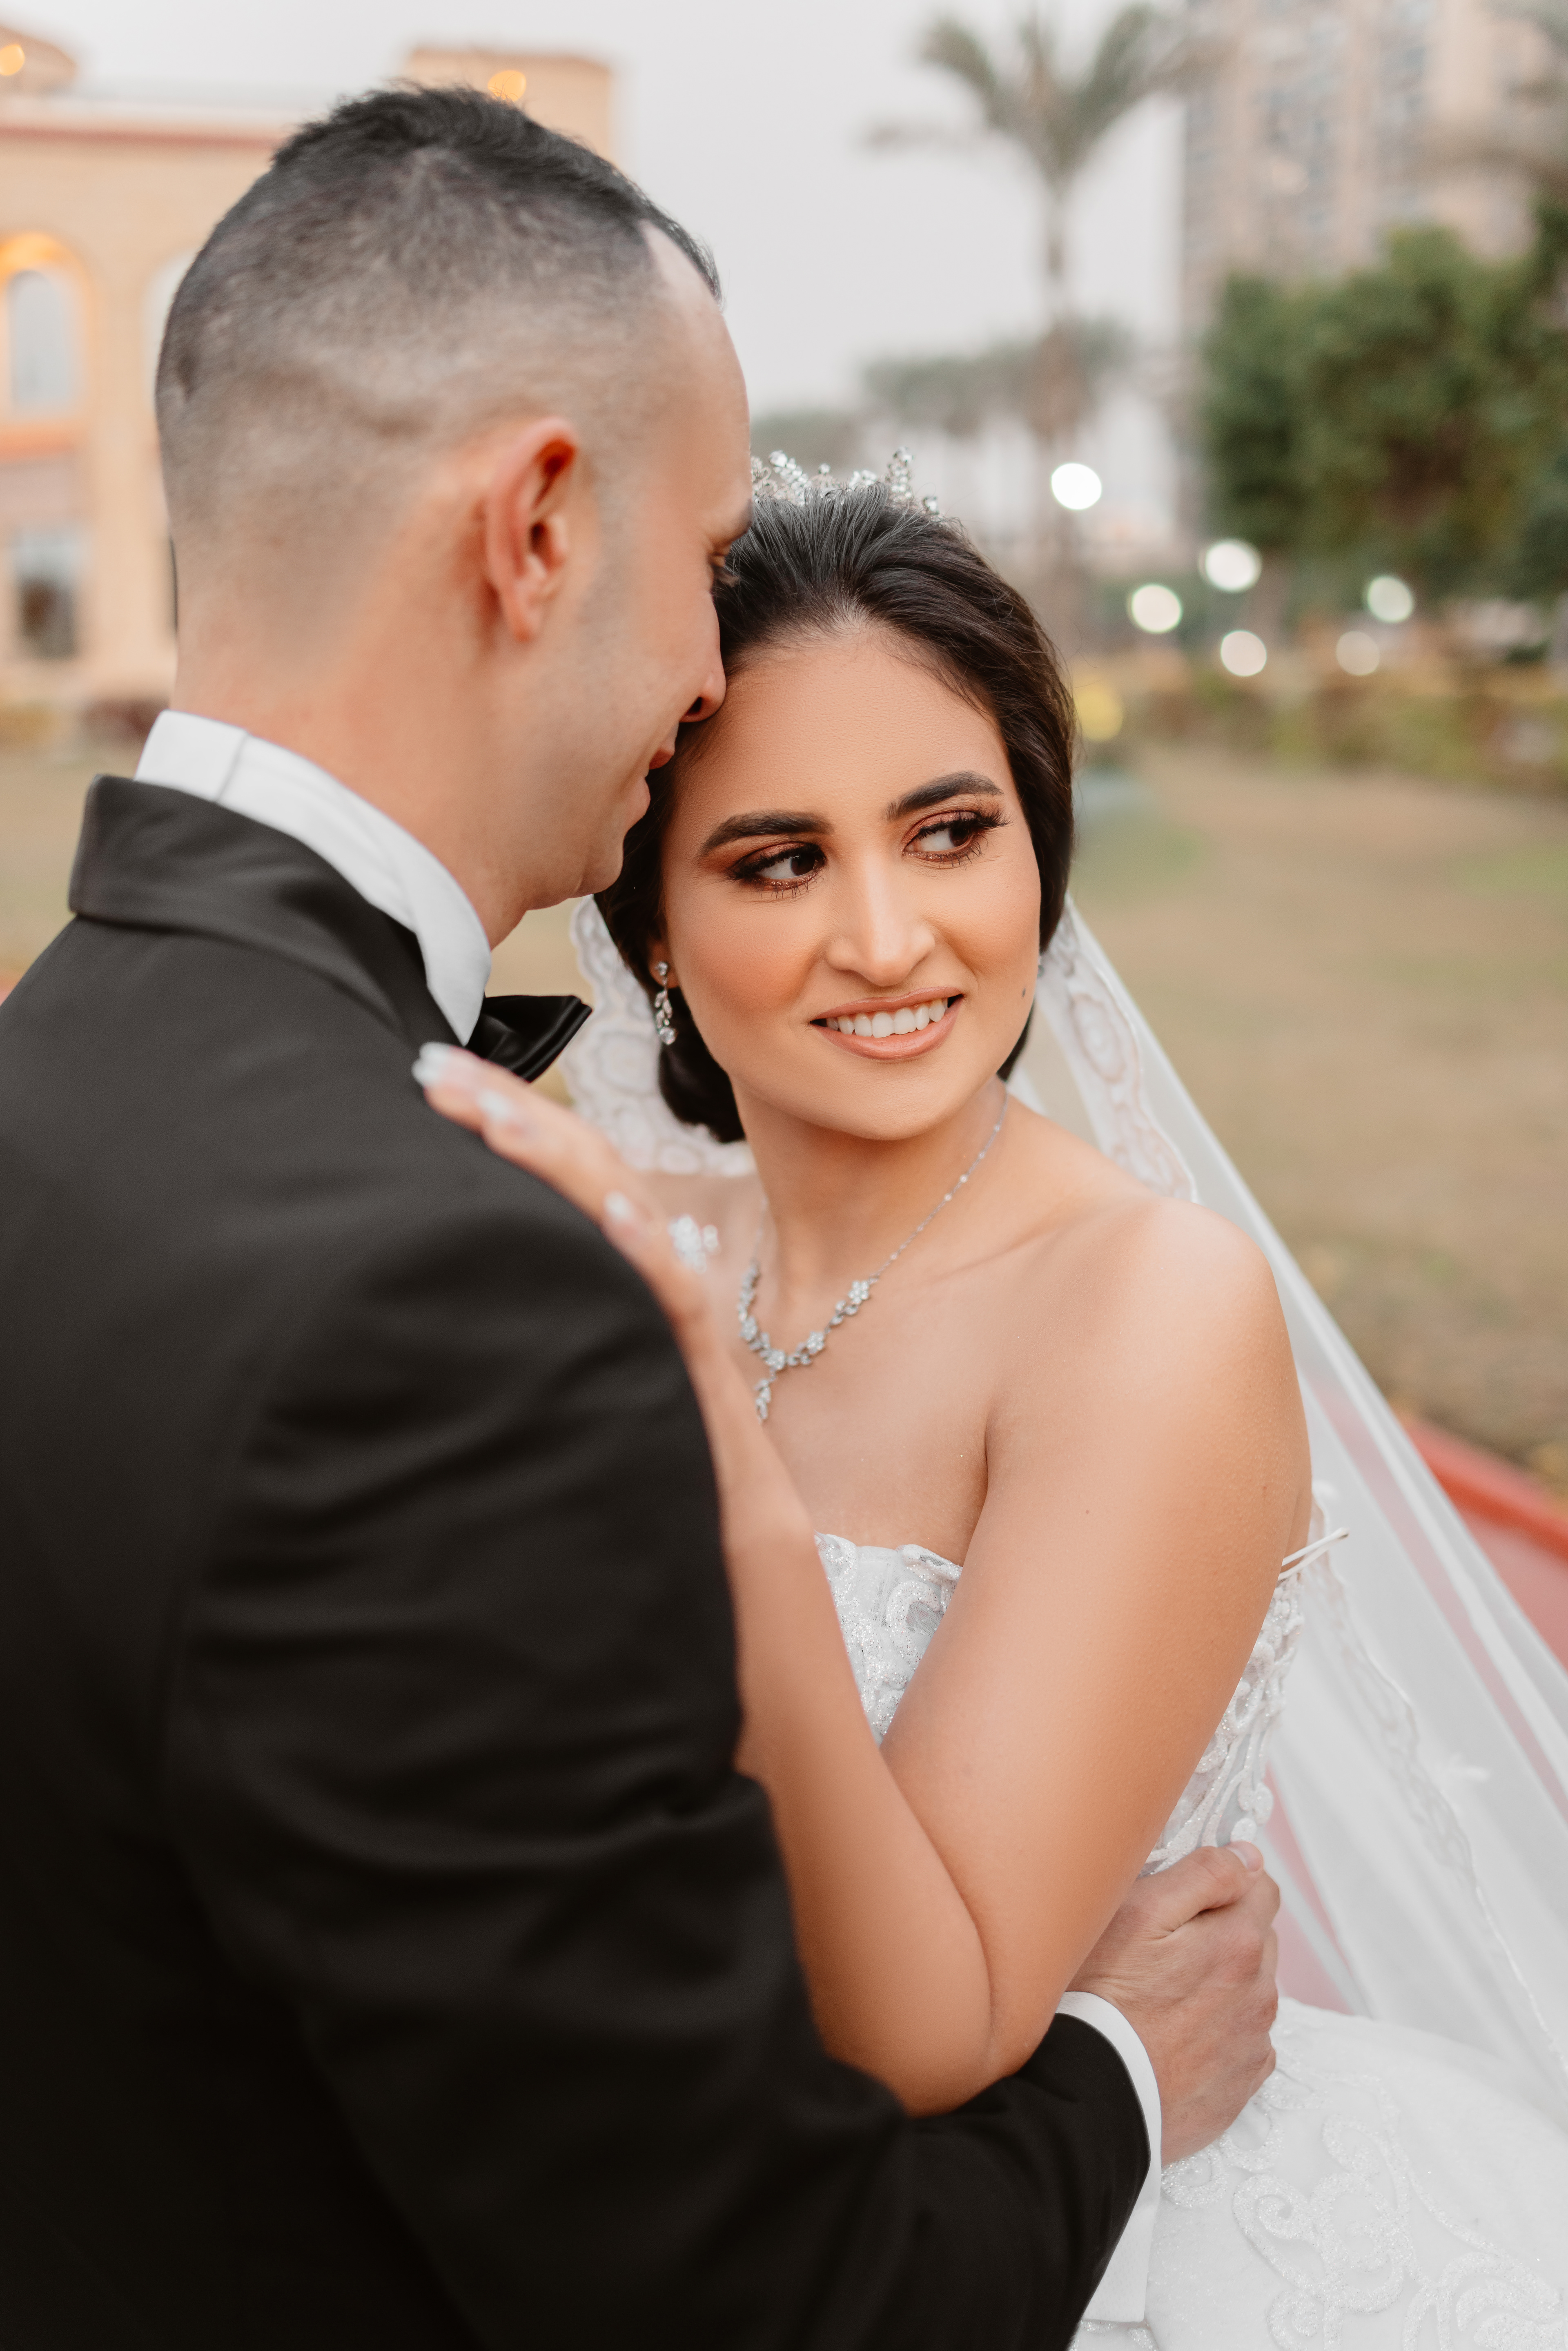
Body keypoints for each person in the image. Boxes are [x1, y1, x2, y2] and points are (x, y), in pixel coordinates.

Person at [0, 91, 1281, 2351]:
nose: (705, 665)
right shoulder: (456, 1275)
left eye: (950, 829)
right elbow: (748, 2294)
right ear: (538, 528)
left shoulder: (62, 1062)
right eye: (703, 562)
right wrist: (1121, 2081)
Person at [427, 467, 1568, 2342]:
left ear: (1039, 852)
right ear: (648, 937)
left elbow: (932, 2021)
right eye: (778, 859)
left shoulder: (1147, 1309)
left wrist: (704, 1453)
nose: (886, 937)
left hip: (1114, 2260)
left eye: (949, 831)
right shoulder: (629, 1248)